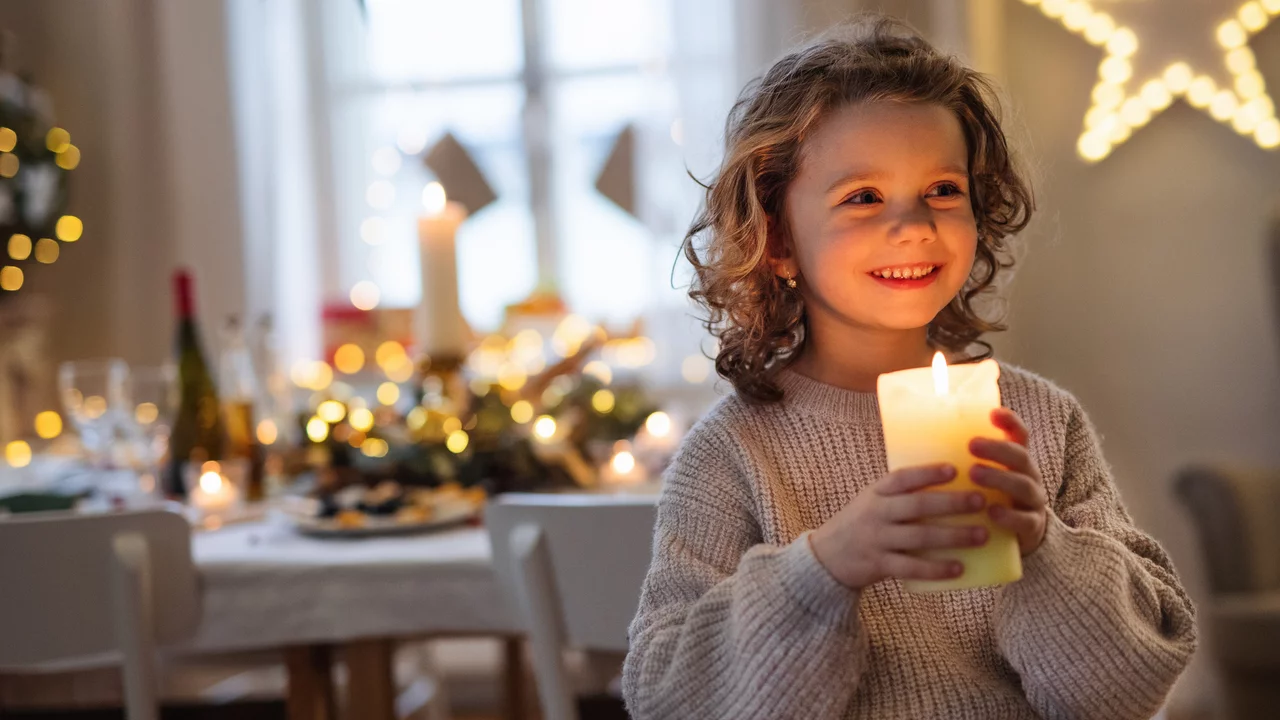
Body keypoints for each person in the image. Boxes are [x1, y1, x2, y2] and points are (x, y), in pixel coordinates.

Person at [622, 15, 1197, 720]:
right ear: (776, 240)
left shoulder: (1043, 424)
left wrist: (1044, 547)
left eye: (944, 190)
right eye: (862, 197)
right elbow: (667, 698)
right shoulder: (730, 454)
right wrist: (826, 566)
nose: (915, 225)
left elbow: (1125, 693)